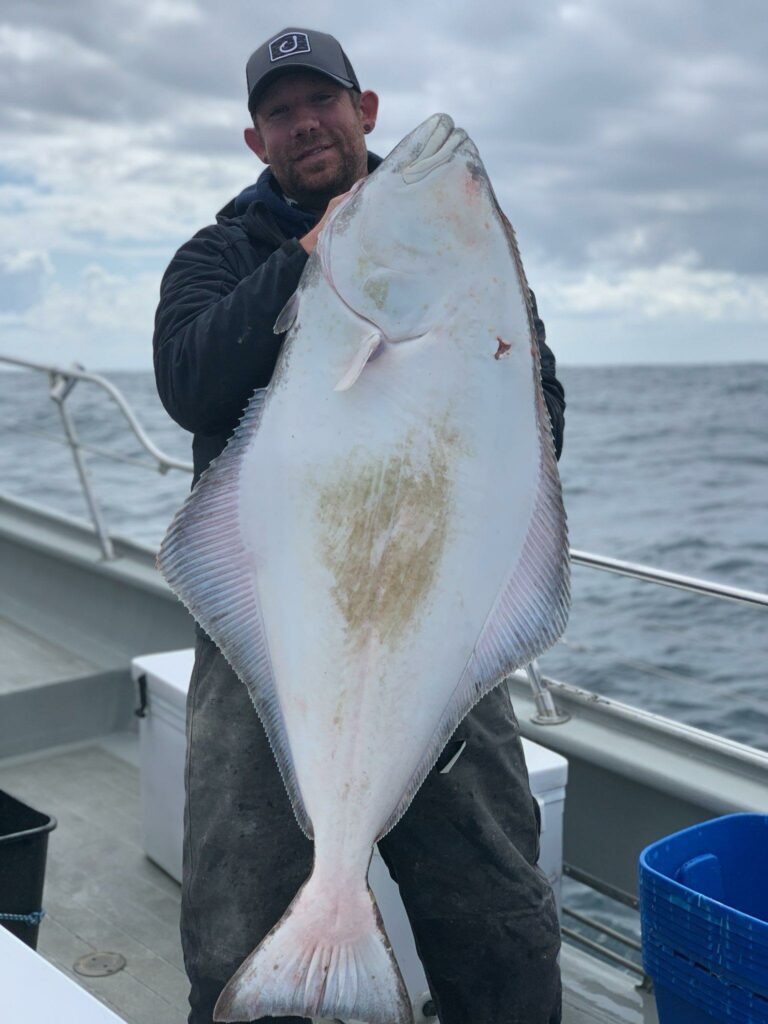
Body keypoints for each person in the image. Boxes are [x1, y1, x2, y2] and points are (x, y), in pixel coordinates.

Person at [153, 26, 566, 1024]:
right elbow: (189, 380)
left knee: (498, 910)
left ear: (364, 107)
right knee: (234, 918)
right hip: (283, 617)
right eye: (281, 113)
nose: (307, 124)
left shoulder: (470, 259)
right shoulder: (220, 255)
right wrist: (311, 253)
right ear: (257, 142)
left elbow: (539, 402)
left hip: (436, 617)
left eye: (322, 102)